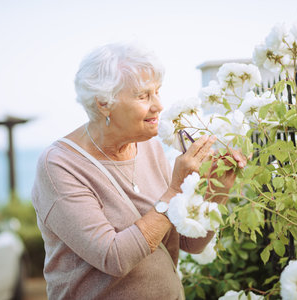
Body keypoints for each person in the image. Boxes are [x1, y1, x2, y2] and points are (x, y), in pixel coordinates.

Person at [31, 41, 247, 299]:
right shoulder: (60, 165)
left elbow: (191, 241)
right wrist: (175, 189)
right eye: (143, 96)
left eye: (157, 92)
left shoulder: (150, 149)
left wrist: (218, 187)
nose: (158, 105)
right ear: (103, 103)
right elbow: (114, 258)